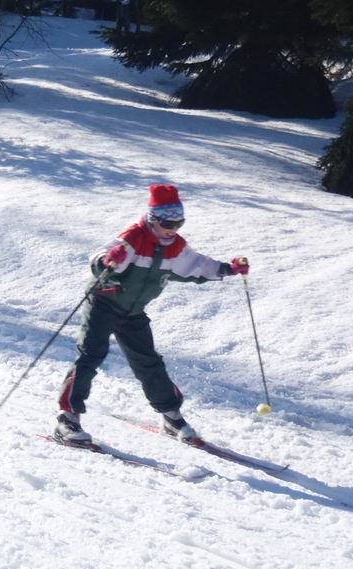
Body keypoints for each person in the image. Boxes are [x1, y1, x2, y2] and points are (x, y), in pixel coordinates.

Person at [54, 184, 249, 445]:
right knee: (91, 355)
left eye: (179, 223)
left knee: (148, 362)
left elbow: (198, 265)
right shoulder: (133, 237)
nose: (173, 228)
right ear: (153, 219)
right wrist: (107, 259)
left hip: (133, 311)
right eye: (168, 223)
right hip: (104, 303)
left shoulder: (175, 246)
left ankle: (171, 416)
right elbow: (100, 256)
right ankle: (67, 419)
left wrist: (229, 269)